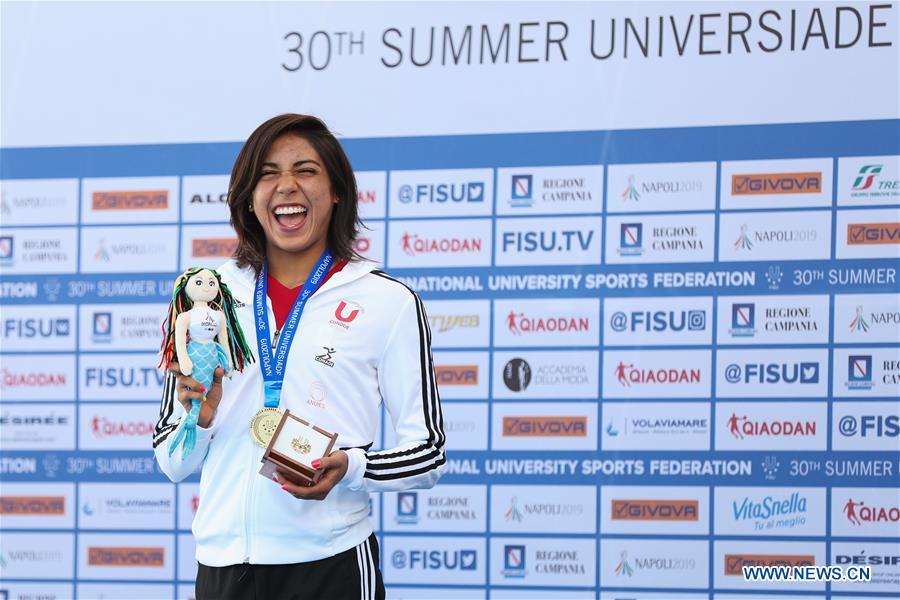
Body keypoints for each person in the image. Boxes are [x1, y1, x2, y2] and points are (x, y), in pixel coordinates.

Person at [153, 114, 446, 600]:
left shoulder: (388, 301)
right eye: (268, 173)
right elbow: (172, 462)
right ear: (249, 197)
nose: (286, 185)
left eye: (305, 170)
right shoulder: (205, 298)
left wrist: (351, 467)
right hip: (223, 569)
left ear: (336, 192)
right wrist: (197, 420)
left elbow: (428, 452)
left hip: (329, 566)